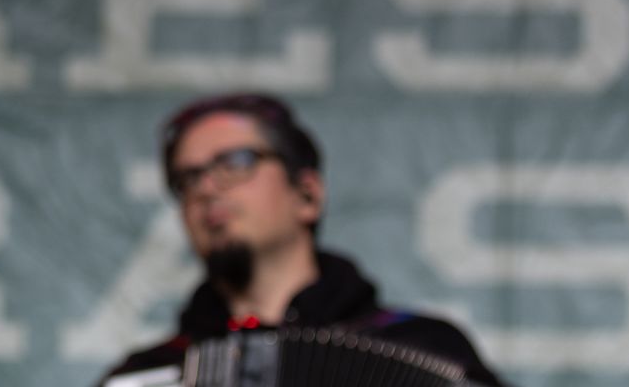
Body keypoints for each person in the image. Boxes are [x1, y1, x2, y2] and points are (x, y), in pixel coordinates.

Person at [100, 94, 506, 386]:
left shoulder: (421, 347)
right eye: (188, 179)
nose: (207, 188)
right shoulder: (151, 374)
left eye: (235, 163)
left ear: (307, 194)